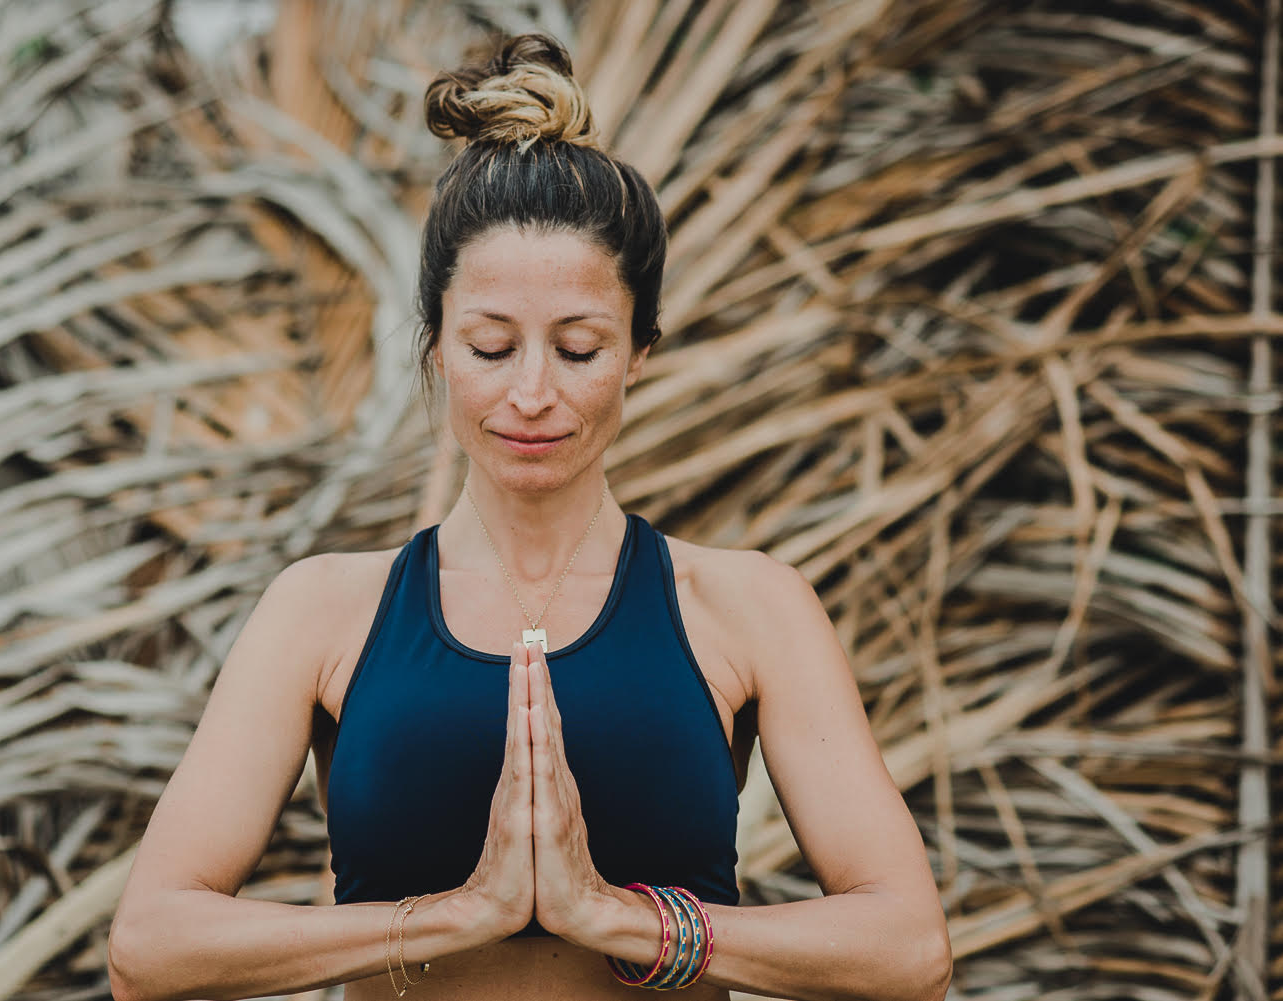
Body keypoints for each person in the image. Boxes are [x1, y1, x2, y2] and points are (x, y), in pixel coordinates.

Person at [106, 33, 951, 1001]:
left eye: (581, 348)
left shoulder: (748, 605)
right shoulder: (323, 609)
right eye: (492, 345)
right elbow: (152, 942)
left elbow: (906, 945)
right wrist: (459, 912)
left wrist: (615, 914)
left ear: (641, 349)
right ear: (435, 348)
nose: (534, 393)